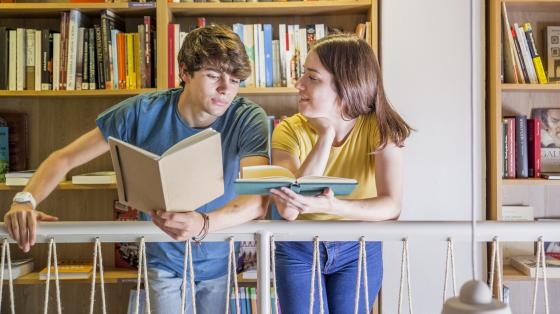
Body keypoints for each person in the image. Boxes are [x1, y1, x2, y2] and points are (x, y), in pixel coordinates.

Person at [4, 25, 270, 314]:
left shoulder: (247, 117)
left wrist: (202, 225)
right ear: (184, 72)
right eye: (213, 75)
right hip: (160, 258)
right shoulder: (141, 112)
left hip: (220, 257)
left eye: (234, 79)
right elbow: (63, 159)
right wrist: (25, 200)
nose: (225, 89)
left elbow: (257, 200)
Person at [270, 34, 412, 313]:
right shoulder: (287, 130)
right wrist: (326, 135)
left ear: (345, 84)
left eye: (312, 77)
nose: (299, 85)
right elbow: (288, 209)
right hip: (299, 247)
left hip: (358, 246)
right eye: (302, 76)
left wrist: (333, 206)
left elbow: (392, 207)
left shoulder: (381, 128)